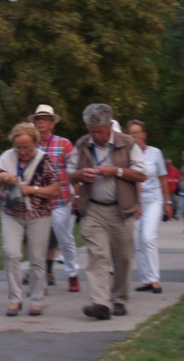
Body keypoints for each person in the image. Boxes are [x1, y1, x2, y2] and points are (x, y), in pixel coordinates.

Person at [68, 104, 147, 320]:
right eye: (92, 131)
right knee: (98, 255)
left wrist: (117, 171)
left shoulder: (128, 143)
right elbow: (68, 175)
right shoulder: (82, 144)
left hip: (122, 210)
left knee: (123, 258)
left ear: (109, 126)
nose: (96, 135)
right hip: (93, 208)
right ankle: (101, 303)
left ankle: (119, 299)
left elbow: (142, 174)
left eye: (100, 131)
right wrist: (80, 174)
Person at [0, 123, 60, 317]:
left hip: (39, 215)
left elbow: (55, 189)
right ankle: (14, 300)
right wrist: (2, 175)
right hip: (12, 213)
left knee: (37, 258)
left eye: (26, 147)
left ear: (35, 143)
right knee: (11, 254)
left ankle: (36, 300)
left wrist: (33, 190)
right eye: (18, 147)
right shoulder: (7, 157)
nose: (22, 151)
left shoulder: (44, 161)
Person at [30, 104, 81, 293]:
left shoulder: (64, 144)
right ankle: (40, 281)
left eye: (44, 118)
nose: (40, 121)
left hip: (60, 200)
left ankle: (72, 273)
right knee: (37, 241)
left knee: (64, 238)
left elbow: (74, 171)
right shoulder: (30, 144)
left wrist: (77, 194)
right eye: (38, 118)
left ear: (52, 124)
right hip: (37, 200)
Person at [127, 120, 172, 295]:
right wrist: (135, 204)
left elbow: (163, 178)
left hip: (153, 200)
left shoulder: (155, 153)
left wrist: (168, 202)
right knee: (137, 242)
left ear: (145, 134)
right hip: (135, 201)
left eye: (138, 132)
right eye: (131, 133)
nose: (135, 136)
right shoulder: (127, 154)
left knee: (148, 237)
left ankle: (155, 279)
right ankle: (145, 279)